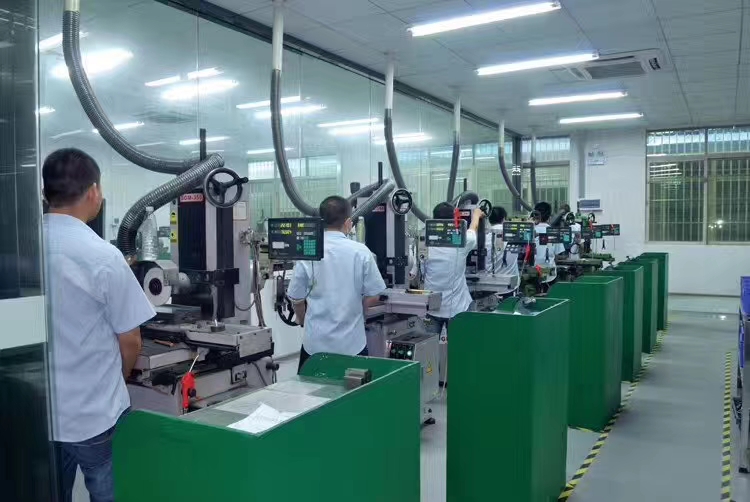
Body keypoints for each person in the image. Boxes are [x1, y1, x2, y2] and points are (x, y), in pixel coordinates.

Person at [43, 148, 156, 502]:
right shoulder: (103, 256)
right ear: (93, 192)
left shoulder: (23, 247)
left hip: (39, 413)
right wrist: (117, 380)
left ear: (45, 192)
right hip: (95, 415)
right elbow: (131, 340)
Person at [288, 195, 386, 372]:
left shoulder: (308, 251)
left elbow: (296, 299)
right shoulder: (361, 252)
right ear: (348, 223)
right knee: (355, 389)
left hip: (315, 347)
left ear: (320, 222)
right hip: (352, 345)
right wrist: (358, 311)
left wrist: (302, 319)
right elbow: (374, 295)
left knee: (310, 389)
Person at [418, 202, 485, 336]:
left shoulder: (423, 242)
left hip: (431, 307)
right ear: (454, 220)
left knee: (429, 346)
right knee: (460, 345)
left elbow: (421, 270)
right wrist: (476, 215)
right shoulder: (461, 241)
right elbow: (473, 229)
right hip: (457, 310)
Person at [484, 206, 520, 291]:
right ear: (504, 219)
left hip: (487, 287)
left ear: (489, 219)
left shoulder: (482, 239)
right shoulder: (516, 236)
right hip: (510, 288)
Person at [533, 201, 565, 283]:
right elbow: (557, 255)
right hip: (550, 276)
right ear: (549, 216)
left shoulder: (530, 231)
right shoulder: (555, 232)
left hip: (532, 275)